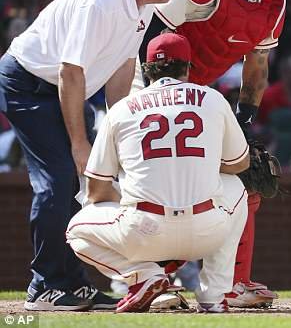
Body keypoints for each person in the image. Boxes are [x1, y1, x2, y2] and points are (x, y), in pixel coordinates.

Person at [0, 0, 192, 312]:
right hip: (30, 84)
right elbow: (69, 71)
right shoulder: (102, 1)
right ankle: (45, 287)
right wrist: (79, 145)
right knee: (58, 182)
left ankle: (74, 283)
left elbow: (121, 70)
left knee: (88, 185)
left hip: (66, 89)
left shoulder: (143, 4)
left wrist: (117, 136)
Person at [137, 0, 291, 308]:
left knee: (245, 184)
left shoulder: (275, 1)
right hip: (147, 87)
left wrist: (243, 120)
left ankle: (234, 283)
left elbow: (257, 65)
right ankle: (145, 281)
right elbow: (149, 35)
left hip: (200, 98)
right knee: (160, 187)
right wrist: (144, 98)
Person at [66, 32, 249, 313]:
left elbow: (96, 190)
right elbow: (240, 163)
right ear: (188, 67)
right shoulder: (212, 99)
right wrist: (199, 164)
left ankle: (143, 274)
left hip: (144, 232)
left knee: (76, 229)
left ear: (147, 68)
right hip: (206, 231)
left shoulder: (122, 109)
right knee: (236, 188)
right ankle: (214, 295)